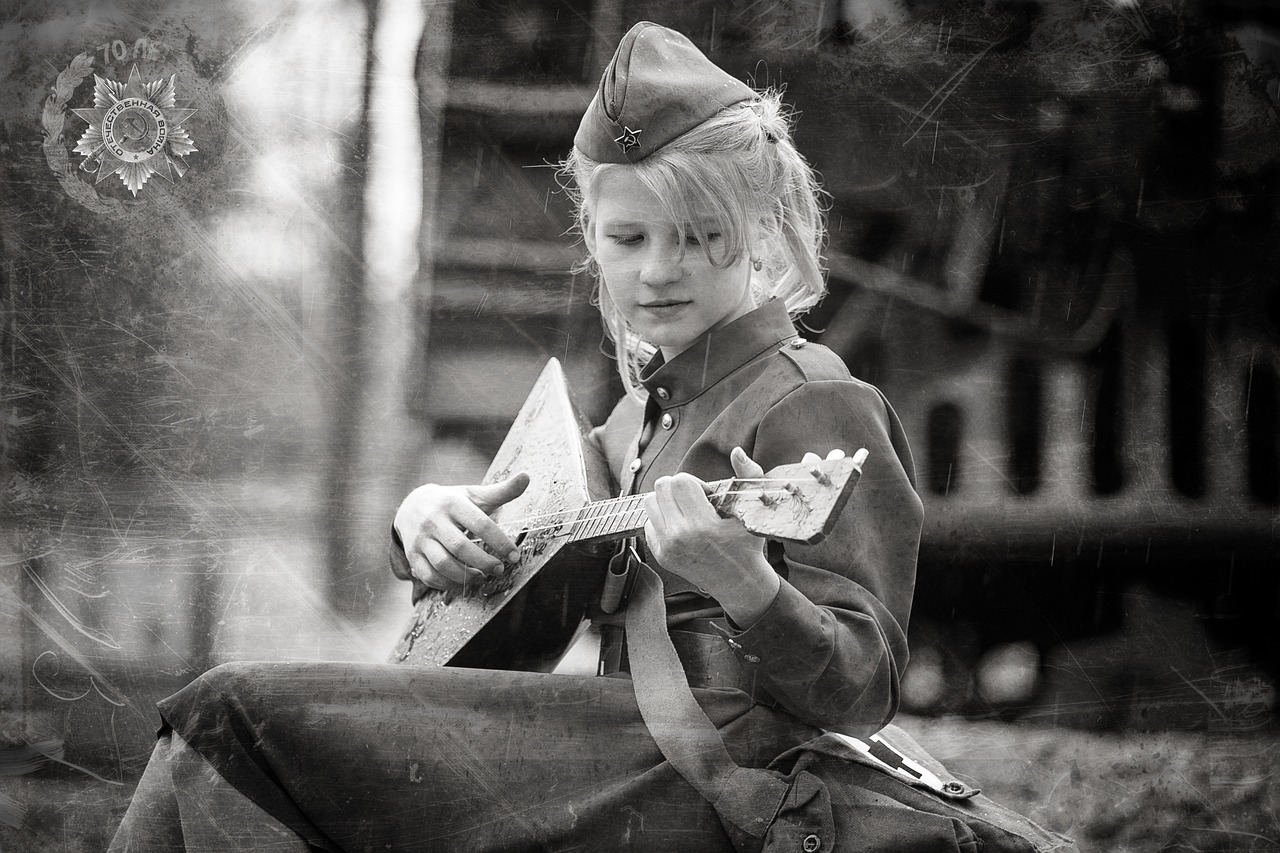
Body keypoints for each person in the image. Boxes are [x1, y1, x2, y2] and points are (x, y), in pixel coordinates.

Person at [108, 21, 922, 852]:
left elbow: (863, 689)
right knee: (216, 737)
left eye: (701, 234)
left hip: (715, 780)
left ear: (757, 227)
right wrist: (425, 521)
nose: (658, 270)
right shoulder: (635, 420)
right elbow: (523, 622)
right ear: (592, 239)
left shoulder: (815, 398)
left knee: (229, 713)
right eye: (629, 238)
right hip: (619, 753)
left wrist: (750, 587)